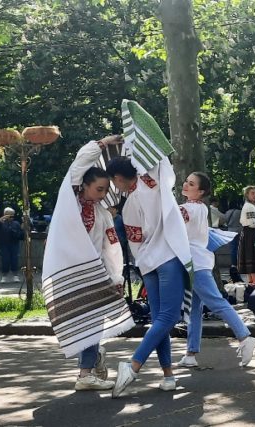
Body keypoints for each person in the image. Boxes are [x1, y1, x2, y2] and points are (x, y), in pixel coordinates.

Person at [44, 135, 126, 391]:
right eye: (99, 189)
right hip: (66, 272)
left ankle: (86, 372)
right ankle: (92, 361)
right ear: (83, 185)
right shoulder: (67, 203)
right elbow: (78, 165)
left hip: (93, 274)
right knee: (79, 323)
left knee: (90, 322)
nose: (102, 195)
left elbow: (111, 248)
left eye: (106, 191)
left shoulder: (102, 215)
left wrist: (116, 278)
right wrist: (102, 143)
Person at [108, 152, 191, 397]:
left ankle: (168, 375)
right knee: (168, 317)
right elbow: (160, 155)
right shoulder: (154, 183)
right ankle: (133, 364)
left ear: (118, 178)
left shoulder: (131, 203)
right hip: (169, 256)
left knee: (160, 319)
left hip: (148, 262)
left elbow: (134, 240)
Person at [175, 172, 255, 369]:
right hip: (199, 261)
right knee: (195, 308)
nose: (186, 185)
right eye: (187, 181)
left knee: (216, 303)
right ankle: (191, 353)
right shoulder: (202, 208)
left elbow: (172, 217)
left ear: (201, 191)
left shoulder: (187, 209)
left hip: (194, 264)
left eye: (191, 183)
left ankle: (245, 336)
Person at [238, 186, 255, 284]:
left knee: (254, 258)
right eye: (252, 193)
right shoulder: (248, 206)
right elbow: (253, 222)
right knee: (253, 258)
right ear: (247, 195)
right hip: (251, 233)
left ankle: (252, 283)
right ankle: (254, 283)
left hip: (254, 233)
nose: (254, 195)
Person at [0, 207, 22, 283]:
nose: (11, 217)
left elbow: (20, 233)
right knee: (5, 260)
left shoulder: (16, 223)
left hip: (14, 244)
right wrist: (3, 218)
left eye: (12, 215)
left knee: (14, 260)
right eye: (9, 215)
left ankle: (15, 276)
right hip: (4, 245)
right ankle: (4, 276)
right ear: (5, 214)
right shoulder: (1, 223)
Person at [222, 201, 244, 282]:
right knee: (238, 248)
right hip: (238, 231)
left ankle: (233, 264)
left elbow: (224, 220)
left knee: (232, 248)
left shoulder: (228, 212)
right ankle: (237, 263)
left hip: (230, 231)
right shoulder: (240, 212)